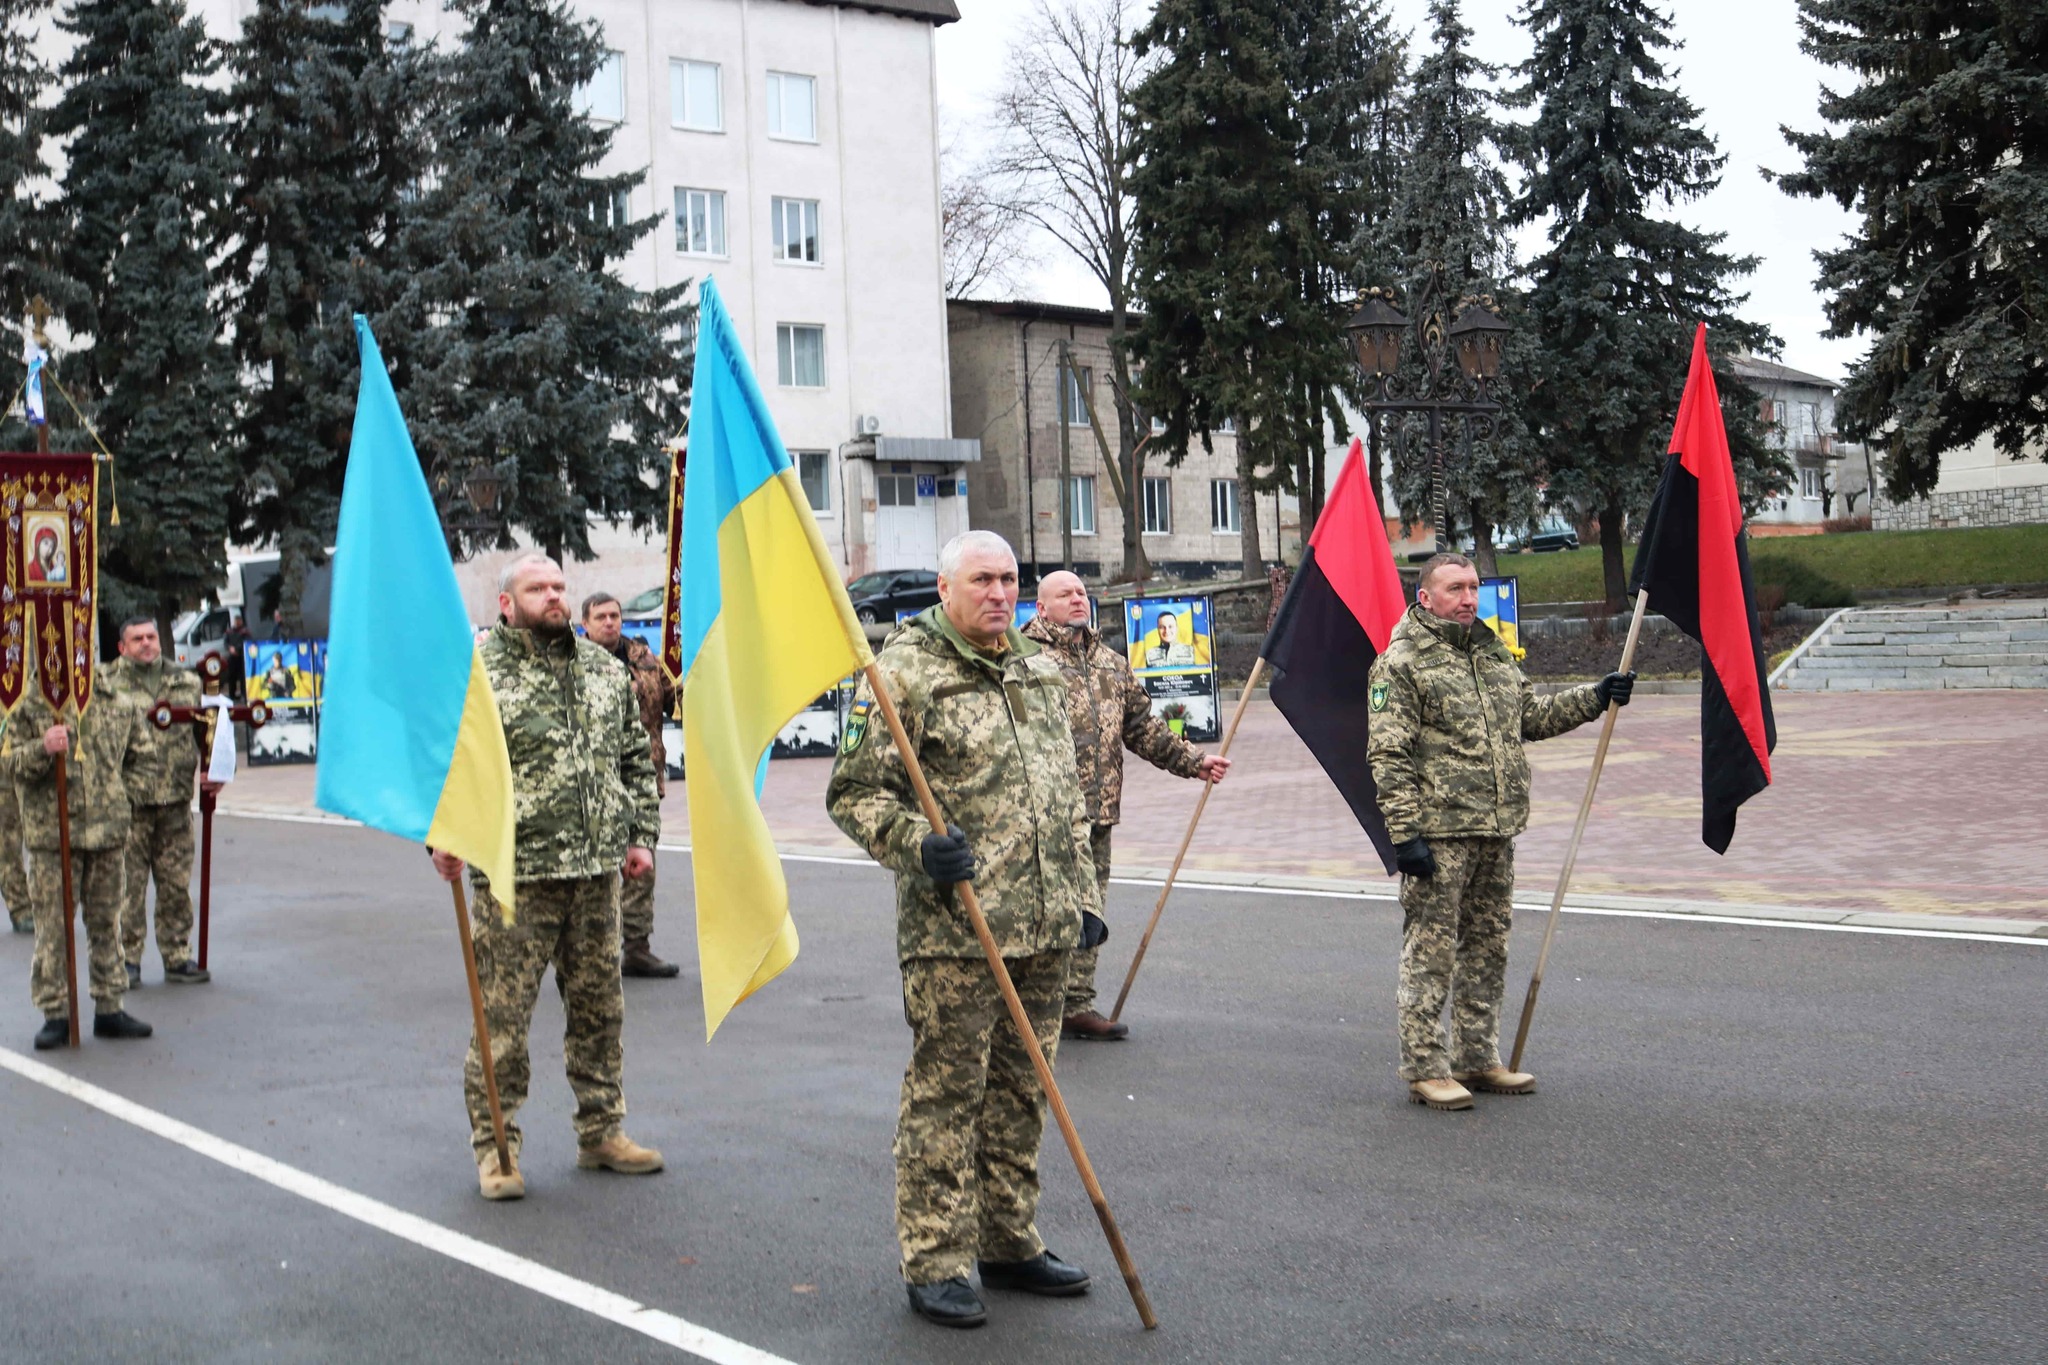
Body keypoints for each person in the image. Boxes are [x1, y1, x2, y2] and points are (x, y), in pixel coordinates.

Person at [828, 530, 1099, 1330]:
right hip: (957, 931)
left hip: (1042, 925)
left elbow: (1062, 793)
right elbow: (855, 792)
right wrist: (918, 845)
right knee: (947, 1097)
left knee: (1024, 1092)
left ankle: (1008, 1239)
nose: (997, 591)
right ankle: (937, 1259)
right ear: (944, 589)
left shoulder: (1035, 666)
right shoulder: (901, 674)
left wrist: (1079, 895)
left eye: (1008, 577)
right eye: (981, 578)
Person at [429, 553, 666, 1201]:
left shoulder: (599, 668)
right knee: (501, 1019)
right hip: (516, 876)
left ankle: (602, 1131)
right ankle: (498, 1148)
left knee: (600, 1009)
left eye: (560, 586)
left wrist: (640, 834)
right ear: (507, 603)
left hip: (596, 872)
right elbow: (447, 763)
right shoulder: (479, 675)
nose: (554, 596)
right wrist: (443, 836)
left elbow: (632, 756)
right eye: (538, 588)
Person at [1367, 553, 1635, 1111]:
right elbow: (1388, 755)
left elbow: (1530, 719)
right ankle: (1424, 1066)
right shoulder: (1402, 661)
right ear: (1426, 598)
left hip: (1496, 828)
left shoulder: (1491, 654)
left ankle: (1476, 1056)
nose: (1468, 598)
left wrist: (1596, 696)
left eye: (1473, 587)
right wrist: (1404, 835)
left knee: (1487, 949)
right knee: (1431, 952)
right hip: (1439, 834)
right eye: (1454, 589)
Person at [1022, 570, 1230, 1041]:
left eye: (1081, 592)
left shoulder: (1109, 663)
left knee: (1089, 913)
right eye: (1065, 594)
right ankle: (1029, 1006)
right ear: (1041, 608)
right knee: (1043, 911)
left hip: (1097, 813)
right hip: (1043, 816)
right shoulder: (1024, 660)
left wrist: (1193, 762)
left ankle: (1076, 1004)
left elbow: (1143, 727)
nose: (1077, 599)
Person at [4, 685, 153, 1049]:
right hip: (53, 835)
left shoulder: (116, 699)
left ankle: (109, 1006)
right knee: (53, 928)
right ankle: (56, 1012)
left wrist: (119, 798)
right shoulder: (24, 704)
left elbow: (144, 757)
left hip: (106, 833)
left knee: (106, 922)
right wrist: (42, 748)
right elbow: (8, 763)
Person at [104, 616, 219, 987]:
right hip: (128, 803)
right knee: (128, 888)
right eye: (137, 639)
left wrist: (213, 771)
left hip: (174, 801)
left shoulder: (186, 681)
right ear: (122, 647)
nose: (146, 643)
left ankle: (176, 955)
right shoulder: (106, 684)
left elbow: (211, 729)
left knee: (174, 884)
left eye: (151, 636)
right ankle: (128, 961)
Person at [579, 592, 681, 979]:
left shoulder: (644, 658)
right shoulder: (572, 663)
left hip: (641, 777)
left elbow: (670, 700)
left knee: (641, 866)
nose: (610, 622)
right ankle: (590, 951)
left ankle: (637, 947)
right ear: (584, 623)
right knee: (596, 869)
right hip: (593, 783)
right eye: (601, 616)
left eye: (615, 615)